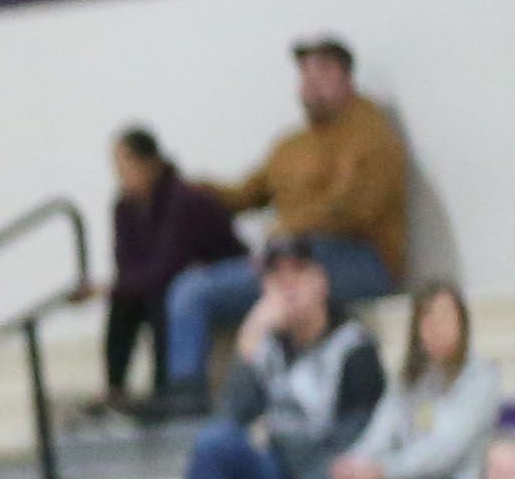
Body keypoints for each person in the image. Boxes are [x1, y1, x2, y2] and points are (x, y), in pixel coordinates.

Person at [161, 36, 414, 393]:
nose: (311, 82)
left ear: (347, 78)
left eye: (323, 71)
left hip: (359, 259)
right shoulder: (290, 144)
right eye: (304, 73)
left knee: (234, 287)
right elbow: (247, 193)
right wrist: (190, 188)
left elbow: (355, 210)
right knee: (190, 289)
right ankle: (184, 392)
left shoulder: (371, 132)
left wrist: (286, 234)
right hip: (292, 255)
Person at [166, 234, 389, 479]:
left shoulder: (355, 348)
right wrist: (248, 342)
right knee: (213, 442)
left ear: (321, 281)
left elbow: (352, 444)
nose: (288, 287)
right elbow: (227, 418)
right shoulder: (268, 346)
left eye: (297, 274)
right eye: (276, 278)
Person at [313, 276, 498, 479]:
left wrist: (381, 473)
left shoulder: (480, 378)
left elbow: (442, 453)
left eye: (444, 317)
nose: (436, 326)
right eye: (427, 317)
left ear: (462, 324)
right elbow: (379, 434)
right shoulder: (408, 381)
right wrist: (353, 466)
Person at [98, 123, 244, 414]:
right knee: (124, 299)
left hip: (216, 276)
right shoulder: (124, 207)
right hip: (171, 278)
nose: (120, 174)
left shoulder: (184, 199)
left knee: (164, 294)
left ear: (150, 163)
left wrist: (118, 284)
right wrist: (117, 287)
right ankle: (115, 387)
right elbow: (126, 264)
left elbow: (170, 264)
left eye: (126, 164)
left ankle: (166, 388)